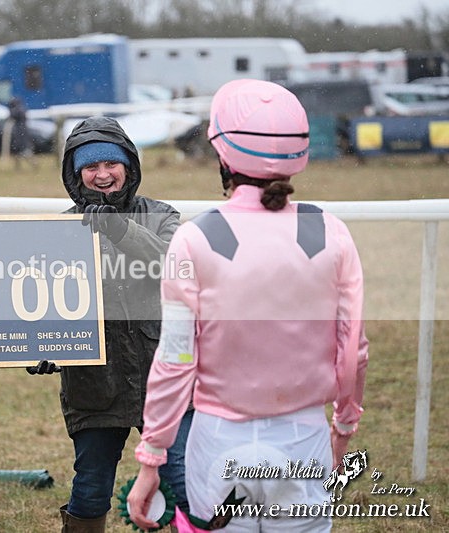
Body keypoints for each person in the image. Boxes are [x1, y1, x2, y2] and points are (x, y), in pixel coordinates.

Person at [127, 79, 369, 532]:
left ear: (223, 157)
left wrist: (152, 455)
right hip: (303, 436)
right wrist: (344, 427)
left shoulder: (194, 238)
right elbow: (352, 347)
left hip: (219, 440)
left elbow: (175, 359)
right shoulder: (330, 231)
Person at [27, 116, 194, 532]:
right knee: (90, 490)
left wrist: (118, 229)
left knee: (184, 482)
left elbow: (171, 265)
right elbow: (38, 301)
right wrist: (40, 347)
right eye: (91, 167)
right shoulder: (60, 230)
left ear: (129, 167)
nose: (102, 175)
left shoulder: (161, 216)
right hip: (94, 385)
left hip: (163, 379)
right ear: (76, 173)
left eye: (111, 164)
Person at [6, 96, 35, 169]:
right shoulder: (21, 108)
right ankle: (19, 165)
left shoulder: (18, 109)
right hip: (21, 132)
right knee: (20, 150)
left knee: (24, 150)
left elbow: (12, 115)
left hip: (20, 133)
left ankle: (33, 163)